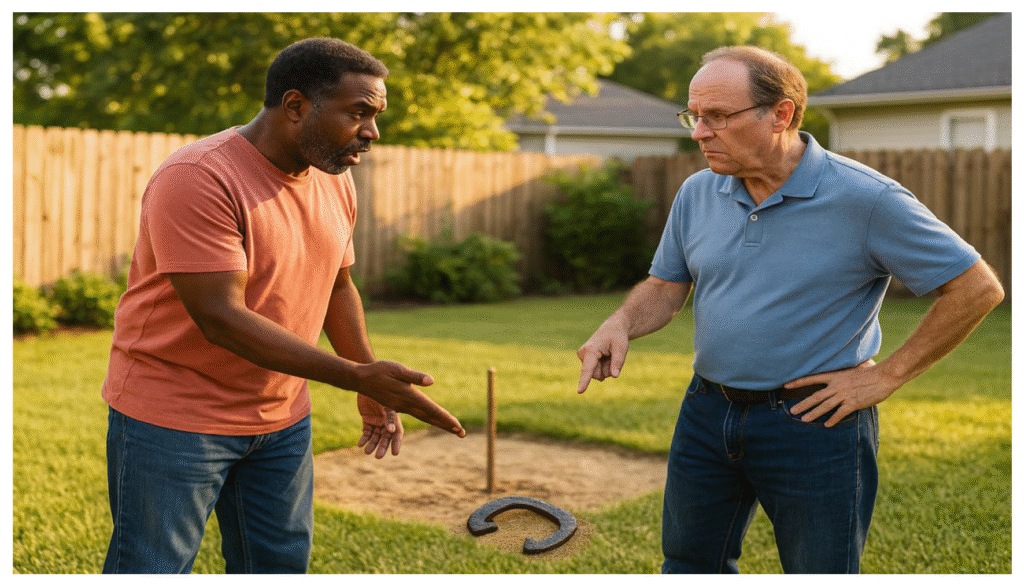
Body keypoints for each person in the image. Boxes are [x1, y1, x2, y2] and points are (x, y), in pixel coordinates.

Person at [576, 46, 1003, 574]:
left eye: (717, 117)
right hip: (707, 412)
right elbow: (666, 286)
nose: (699, 132)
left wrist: (887, 376)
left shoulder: (867, 199)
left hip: (814, 422)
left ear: (781, 114)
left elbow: (977, 288)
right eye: (694, 116)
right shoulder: (697, 192)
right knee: (688, 564)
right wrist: (618, 323)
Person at [101, 37, 466, 574]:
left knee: (277, 567)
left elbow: (337, 286)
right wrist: (355, 376)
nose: (373, 132)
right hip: (175, 416)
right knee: (152, 567)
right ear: (295, 106)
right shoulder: (200, 176)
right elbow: (221, 318)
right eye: (359, 112)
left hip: (281, 420)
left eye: (376, 115)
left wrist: (367, 377)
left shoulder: (333, 180)